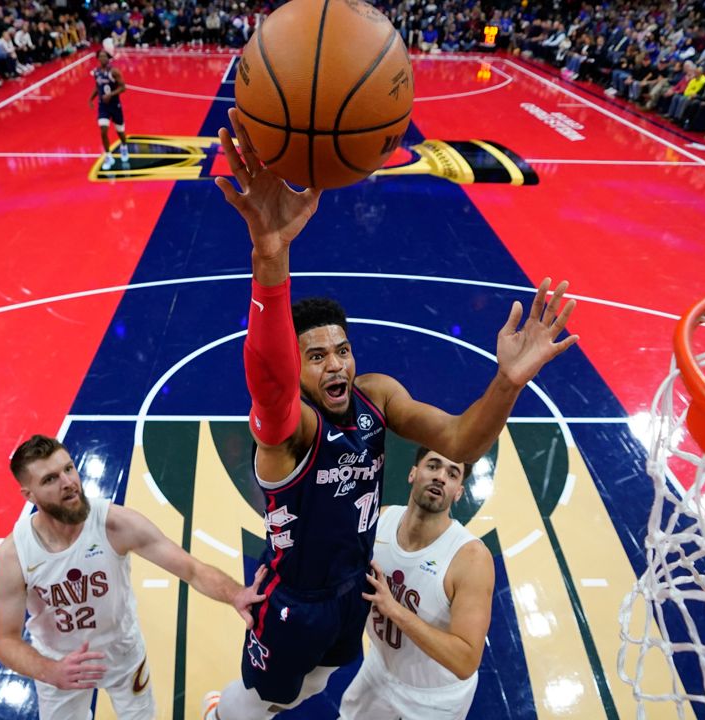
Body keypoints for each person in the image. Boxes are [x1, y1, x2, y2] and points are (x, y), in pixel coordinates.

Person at [201, 108, 577, 720]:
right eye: (316, 356)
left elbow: (459, 441)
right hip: (293, 596)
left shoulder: (375, 395)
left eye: (342, 351)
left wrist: (507, 382)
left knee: (321, 680)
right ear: (299, 369)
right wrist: (270, 257)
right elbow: (269, 380)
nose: (336, 366)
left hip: (355, 585)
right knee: (261, 702)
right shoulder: (287, 427)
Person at [0, 434, 267, 720]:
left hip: (122, 651)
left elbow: (191, 569)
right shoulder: (14, 555)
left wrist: (236, 593)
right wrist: (50, 670)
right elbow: (5, 640)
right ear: (29, 495)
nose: (68, 483)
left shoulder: (115, 524)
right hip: (58, 662)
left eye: (69, 468)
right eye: (50, 479)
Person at [337, 447, 494, 720]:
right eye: (433, 466)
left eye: (452, 473)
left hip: (434, 698)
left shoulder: (470, 559)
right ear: (413, 473)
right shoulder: (381, 520)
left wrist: (395, 610)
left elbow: (466, 660)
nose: (441, 477)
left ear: (458, 492)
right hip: (379, 668)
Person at [90, 49, 128, 169]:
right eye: (100, 56)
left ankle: (124, 146)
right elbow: (98, 86)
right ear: (98, 59)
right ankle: (108, 156)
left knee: (120, 131)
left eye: (104, 56)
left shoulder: (114, 71)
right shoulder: (96, 72)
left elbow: (123, 87)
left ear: (108, 58)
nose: (102, 58)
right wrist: (91, 99)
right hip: (103, 106)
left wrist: (110, 94)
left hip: (115, 105)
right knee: (103, 130)